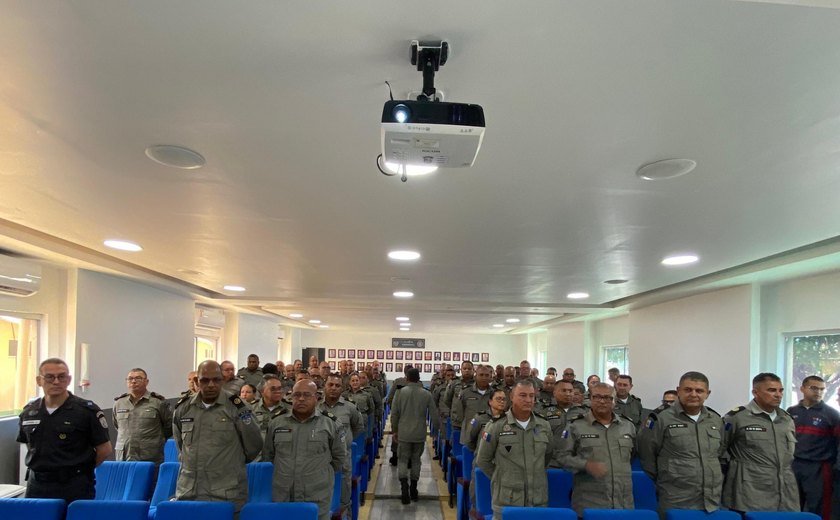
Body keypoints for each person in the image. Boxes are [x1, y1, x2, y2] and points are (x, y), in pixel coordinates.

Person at [173, 360, 263, 514]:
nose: (211, 385)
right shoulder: (183, 408)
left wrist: (231, 464)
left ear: (222, 380)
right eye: (205, 380)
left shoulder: (237, 407)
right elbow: (181, 445)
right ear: (196, 381)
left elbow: (253, 445)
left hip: (226, 492)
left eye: (216, 380)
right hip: (190, 491)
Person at [17, 358, 113, 503]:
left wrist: (81, 471)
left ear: (68, 380)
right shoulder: (30, 412)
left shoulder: (86, 411)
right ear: (39, 380)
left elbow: (104, 449)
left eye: (61, 376)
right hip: (37, 485)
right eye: (49, 377)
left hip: (73, 485)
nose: (56, 381)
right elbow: (30, 446)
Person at [637, 371, 723, 513]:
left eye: (699, 391)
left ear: (708, 393)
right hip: (675, 496)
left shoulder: (715, 420)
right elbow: (647, 454)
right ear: (678, 391)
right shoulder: (660, 418)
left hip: (710, 498)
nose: (693, 394)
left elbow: (719, 451)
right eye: (688, 390)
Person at [263, 379, 345, 520]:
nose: (301, 399)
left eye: (307, 395)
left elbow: (339, 458)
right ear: (291, 397)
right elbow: (268, 455)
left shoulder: (330, 423)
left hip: (317, 494)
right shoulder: (277, 422)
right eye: (297, 395)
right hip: (283, 495)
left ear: (316, 398)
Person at [722, 372, 799, 512]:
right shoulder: (737, 417)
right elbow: (720, 451)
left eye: (780, 390)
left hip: (785, 489)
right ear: (755, 392)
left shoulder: (786, 419)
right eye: (771, 390)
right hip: (750, 490)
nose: (778, 394)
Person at [476, 380, 553, 518]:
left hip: (537, 500)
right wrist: (502, 477)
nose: (528, 400)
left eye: (531, 396)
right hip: (507, 500)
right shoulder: (496, 425)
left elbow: (547, 456)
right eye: (522, 395)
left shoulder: (544, 426)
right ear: (511, 397)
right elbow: (483, 460)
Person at [556, 383, 636, 515]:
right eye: (597, 397)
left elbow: (633, 455)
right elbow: (562, 457)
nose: (602, 401)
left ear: (614, 401)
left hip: (623, 503)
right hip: (589, 503)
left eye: (607, 397)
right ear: (590, 399)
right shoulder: (575, 426)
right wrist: (586, 465)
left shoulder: (628, 426)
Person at [788, 375, 840, 519]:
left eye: (822, 389)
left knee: (818, 506)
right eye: (814, 388)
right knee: (792, 505)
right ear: (802, 389)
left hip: (819, 467)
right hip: (794, 465)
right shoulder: (791, 412)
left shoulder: (832, 415)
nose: (818, 392)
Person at [391, 367, 437, 503]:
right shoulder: (426, 394)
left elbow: (394, 414)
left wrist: (395, 430)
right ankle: (414, 488)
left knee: (403, 460)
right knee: (416, 460)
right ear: (419, 379)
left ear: (406, 378)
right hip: (419, 433)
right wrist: (435, 432)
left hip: (403, 433)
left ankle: (404, 487)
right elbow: (434, 415)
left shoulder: (400, 393)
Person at [319, 373, 364, 513]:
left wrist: (345, 441)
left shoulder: (349, 407)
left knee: (344, 495)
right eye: (330, 385)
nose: (333, 388)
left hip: (343, 457)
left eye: (337, 386)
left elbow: (358, 427)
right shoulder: (316, 407)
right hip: (319, 457)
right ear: (324, 386)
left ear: (342, 388)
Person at [112, 367, 172, 464]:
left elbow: (169, 427)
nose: (133, 381)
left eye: (138, 378)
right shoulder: (119, 403)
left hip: (149, 456)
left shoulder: (158, 402)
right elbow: (117, 426)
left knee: (151, 479)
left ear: (146, 382)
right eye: (130, 379)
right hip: (124, 457)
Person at [452, 364, 494, 433]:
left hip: (488, 431)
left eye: (487, 375)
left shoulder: (494, 393)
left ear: (490, 377)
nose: (484, 377)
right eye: (481, 375)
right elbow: (459, 413)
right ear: (475, 376)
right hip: (469, 431)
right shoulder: (465, 392)